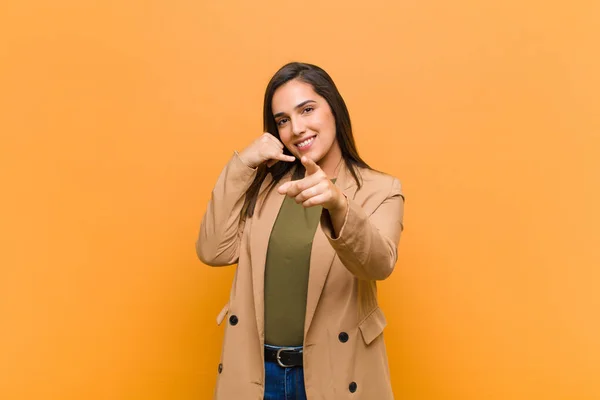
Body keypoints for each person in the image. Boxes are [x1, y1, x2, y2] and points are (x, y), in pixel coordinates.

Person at [196, 62, 405, 399]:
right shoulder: (266, 187)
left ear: (333, 108)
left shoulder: (380, 189)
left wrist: (339, 205)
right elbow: (213, 250)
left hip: (334, 374)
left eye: (307, 109)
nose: (297, 129)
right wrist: (242, 164)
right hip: (258, 376)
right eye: (283, 120)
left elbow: (378, 264)